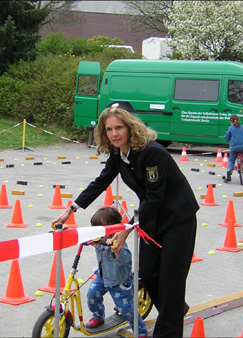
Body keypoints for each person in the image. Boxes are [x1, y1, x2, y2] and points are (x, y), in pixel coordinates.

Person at [51, 101, 200, 337]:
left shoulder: (153, 153)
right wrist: (73, 207)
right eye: (109, 130)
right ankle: (175, 309)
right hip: (152, 220)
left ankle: (169, 328)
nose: (114, 134)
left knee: (171, 280)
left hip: (177, 219)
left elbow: (153, 197)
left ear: (130, 128)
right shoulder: (118, 154)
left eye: (118, 128)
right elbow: (101, 181)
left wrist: (127, 229)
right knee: (150, 273)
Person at [85, 206, 149, 337]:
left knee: (126, 309)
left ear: (113, 229)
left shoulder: (118, 244)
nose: (99, 234)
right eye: (97, 230)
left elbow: (126, 260)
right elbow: (85, 238)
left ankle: (141, 331)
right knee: (92, 294)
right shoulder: (98, 239)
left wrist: (116, 251)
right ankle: (98, 315)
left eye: (102, 230)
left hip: (119, 281)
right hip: (103, 277)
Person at [224, 114, 243, 182]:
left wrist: (228, 139)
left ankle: (229, 171)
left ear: (230, 121)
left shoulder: (230, 129)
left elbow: (227, 138)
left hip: (234, 147)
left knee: (231, 160)